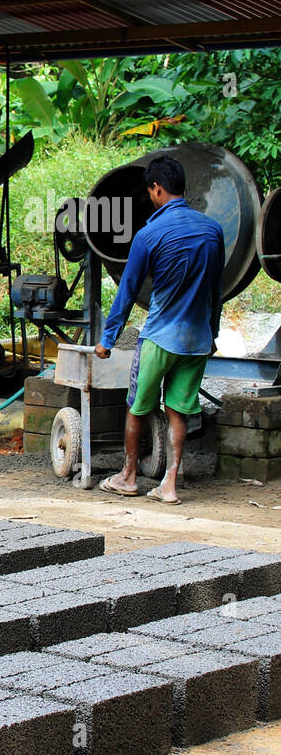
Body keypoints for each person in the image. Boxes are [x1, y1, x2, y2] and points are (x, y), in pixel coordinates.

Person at [94, 155, 224, 505]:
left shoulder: (149, 234)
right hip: (196, 341)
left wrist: (107, 340)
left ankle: (129, 476)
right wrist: (212, 334)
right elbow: (216, 290)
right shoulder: (213, 230)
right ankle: (170, 484)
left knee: (137, 407)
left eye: (150, 190)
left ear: (157, 189)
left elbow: (128, 290)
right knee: (177, 410)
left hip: (160, 338)